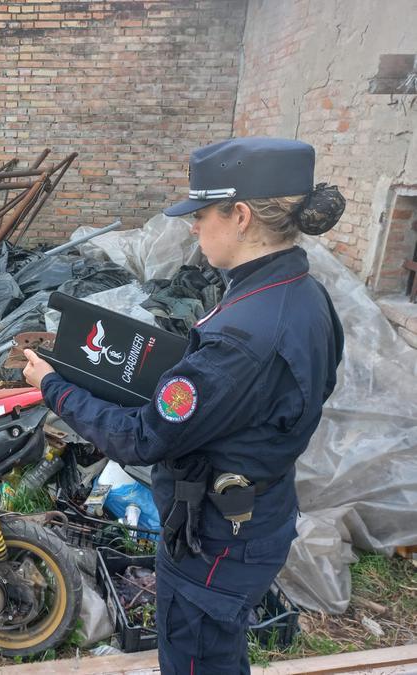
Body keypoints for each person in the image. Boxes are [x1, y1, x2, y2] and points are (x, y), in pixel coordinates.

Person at [22, 137, 346, 674]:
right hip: (257, 513)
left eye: (201, 213)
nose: (193, 227)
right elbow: (284, 394)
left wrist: (53, 386)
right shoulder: (300, 293)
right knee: (220, 652)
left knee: (196, 661)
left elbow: (141, 439)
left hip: (216, 542)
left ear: (240, 215)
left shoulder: (240, 336)